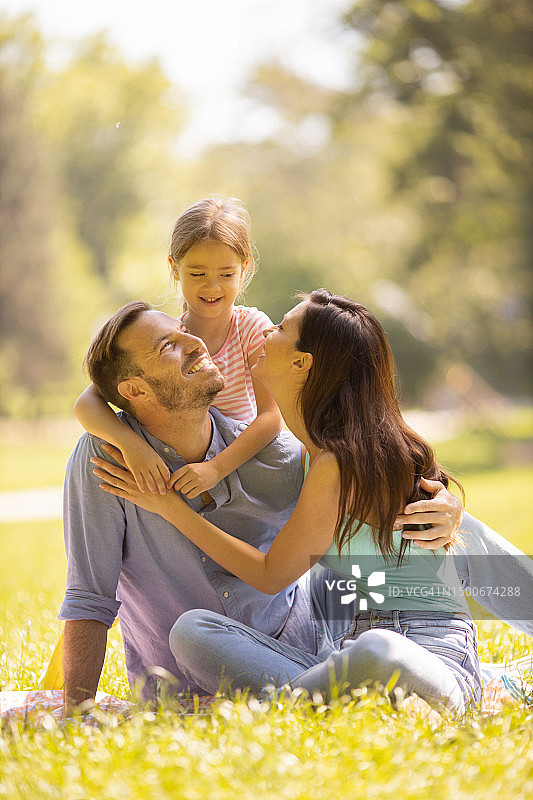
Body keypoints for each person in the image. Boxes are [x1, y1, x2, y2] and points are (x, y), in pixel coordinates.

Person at [94, 290, 526, 714]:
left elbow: (269, 575)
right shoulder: (304, 455)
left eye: (280, 328)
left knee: (377, 651)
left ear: (302, 363)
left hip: (430, 659)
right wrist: (128, 442)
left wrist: (170, 508)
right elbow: (92, 394)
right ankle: (324, 695)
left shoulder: (345, 459)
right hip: (339, 653)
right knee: (191, 631)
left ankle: (300, 701)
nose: (265, 332)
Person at [74, 196, 282, 500]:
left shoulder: (250, 328)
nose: (212, 287)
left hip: (237, 465)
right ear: (175, 268)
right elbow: (86, 403)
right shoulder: (167, 337)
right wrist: (132, 446)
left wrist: (215, 468)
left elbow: (271, 418)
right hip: (182, 463)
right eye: (198, 274)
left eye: (226, 274)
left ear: (244, 268)